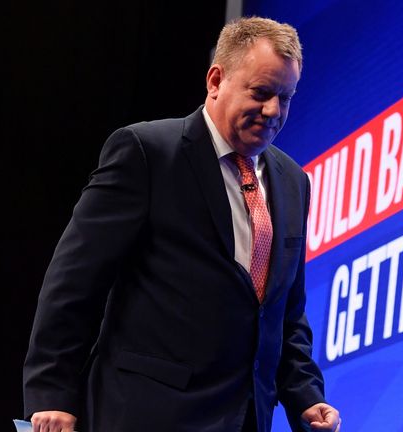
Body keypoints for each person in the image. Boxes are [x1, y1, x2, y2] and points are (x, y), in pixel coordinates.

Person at [22, 16, 341, 432]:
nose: (273, 111)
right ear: (215, 80)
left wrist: (305, 396)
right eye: (261, 93)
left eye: (286, 98)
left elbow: (283, 312)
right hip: (147, 413)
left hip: (245, 419)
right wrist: (53, 394)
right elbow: (74, 281)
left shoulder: (293, 181)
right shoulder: (147, 153)